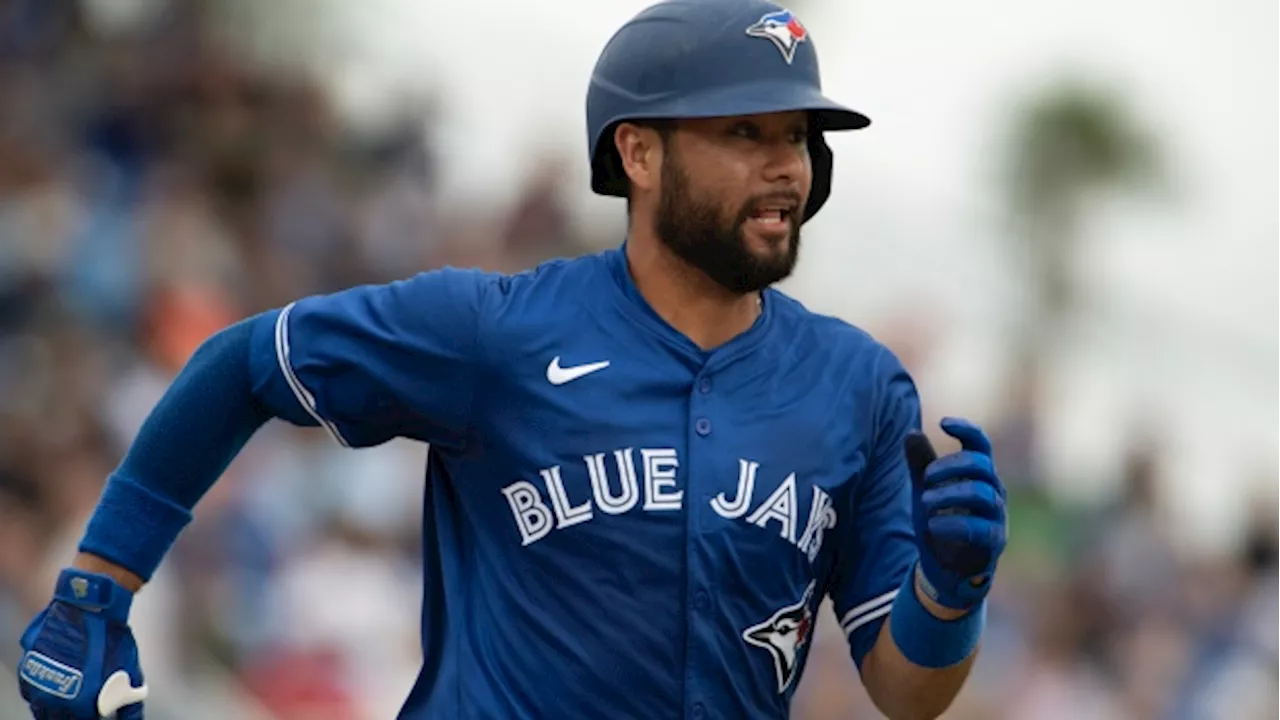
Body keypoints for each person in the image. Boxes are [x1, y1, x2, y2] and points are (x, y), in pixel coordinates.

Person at [15, 1, 1008, 718]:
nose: (785, 165)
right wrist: (98, 586)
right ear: (639, 153)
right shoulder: (495, 330)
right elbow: (240, 365)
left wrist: (949, 592)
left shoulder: (858, 386)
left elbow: (903, 691)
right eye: (744, 131)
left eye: (795, 136)